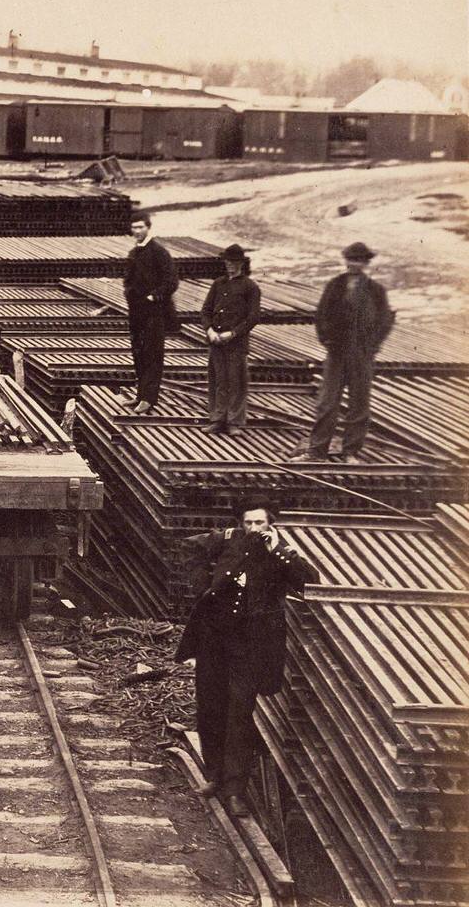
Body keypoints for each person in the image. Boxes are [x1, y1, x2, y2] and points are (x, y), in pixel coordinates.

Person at [175, 498, 317, 817]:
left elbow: (308, 579)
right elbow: (188, 548)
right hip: (214, 639)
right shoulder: (227, 539)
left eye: (260, 523)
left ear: (271, 524)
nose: (253, 529)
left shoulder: (280, 553)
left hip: (250, 645)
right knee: (210, 708)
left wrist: (278, 550)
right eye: (249, 523)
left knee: (240, 714)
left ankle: (236, 790)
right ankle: (215, 778)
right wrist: (202, 587)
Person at [288, 242, 395, 462]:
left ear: (365, 263)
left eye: (358, 260)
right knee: (327, 403)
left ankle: (350, 452)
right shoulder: (334, 286)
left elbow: (385, 320)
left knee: (359, 404)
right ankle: (317, 451)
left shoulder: (376, 290)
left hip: (361, 355)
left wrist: (371, 347)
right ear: (345, 260)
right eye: (350, 259)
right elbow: (321, 316)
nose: (353, 264)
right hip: (336, 353)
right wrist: (327, 340)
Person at [200, 245, 262, 435]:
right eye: (227, 262)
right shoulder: (218, 283)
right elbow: (205, 310)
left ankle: (234, 422)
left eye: (234, 262)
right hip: (216, 339)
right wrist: (209, 329)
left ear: (241, 264)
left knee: (236, 381)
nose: (230, 266)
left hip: (236, 342)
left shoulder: (250, 287)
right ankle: (217, 419)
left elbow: (253, 317)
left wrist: (233, 333)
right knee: (218, 380)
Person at [122, 209, 179, 414]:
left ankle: (149, 399)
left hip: (155, 313)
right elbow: (129, 280)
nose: (137, 231)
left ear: (148, 227)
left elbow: (171, 281)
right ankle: (140, 395)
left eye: (140, 227)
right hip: (137, 312)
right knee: (139, 353)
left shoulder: (159, 252)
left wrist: (153, 297)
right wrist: (129, 294)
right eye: (134, 227)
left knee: (152, 354)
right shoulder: (134, 252)